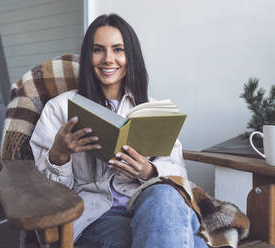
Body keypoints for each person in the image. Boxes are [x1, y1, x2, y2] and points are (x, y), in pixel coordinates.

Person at [30, 14, 207, 248]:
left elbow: (178, 172)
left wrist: (149, 170)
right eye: (98, 50)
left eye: (117, 49)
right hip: (97, 216)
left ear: (129, 56)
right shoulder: (60, 109)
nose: (108, 59)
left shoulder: (150, 108)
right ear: (88, 56)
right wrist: (58, 155)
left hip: (149, 203)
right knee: (190, 240)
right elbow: (43, 196)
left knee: (166, 198)